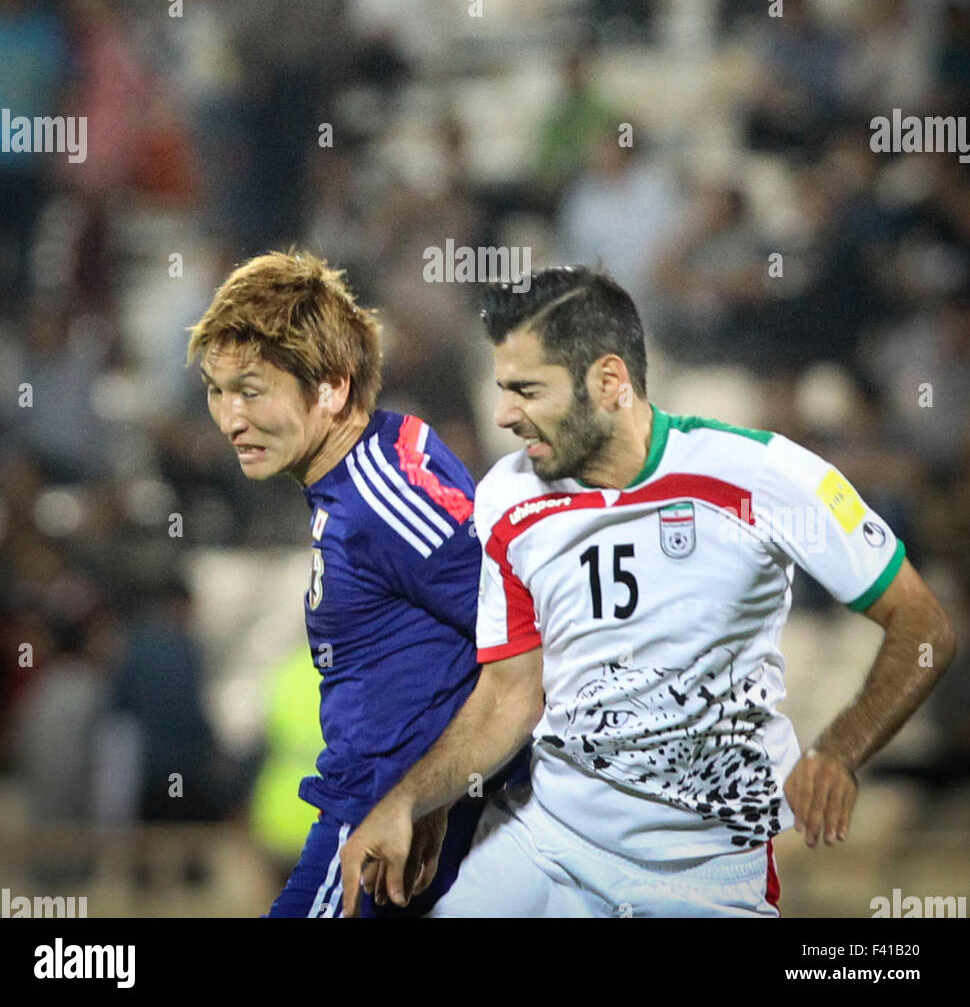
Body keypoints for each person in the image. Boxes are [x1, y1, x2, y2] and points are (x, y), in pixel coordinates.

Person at [339, 266, 956, 919]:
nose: (503, 415)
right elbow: (509, 695)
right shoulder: (508, 497)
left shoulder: (762, 474)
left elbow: (923, 625)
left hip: (706, 869)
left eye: (526, 390)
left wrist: (840, 746)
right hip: (549, 847)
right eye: (500, 390)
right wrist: (417, 798)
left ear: (608, 382)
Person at [187, 249, 522, 917]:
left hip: (373, 831)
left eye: (252, 391)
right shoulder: (377, 462)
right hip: (383, 818)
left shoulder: (382, 502)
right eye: (217, 390)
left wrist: (425, 795)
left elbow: (527, 652)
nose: (229, 419)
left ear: (332, 389)